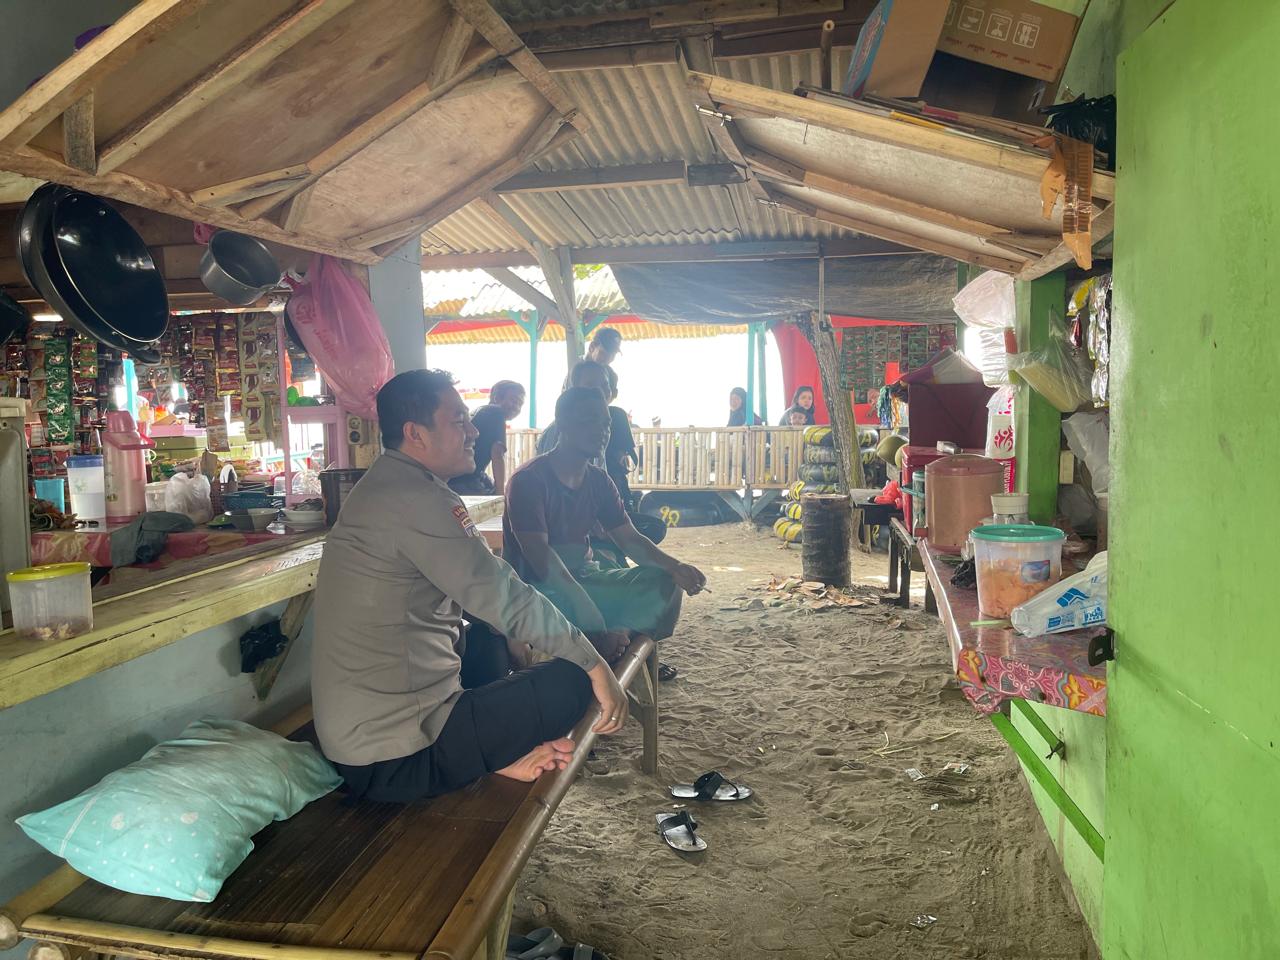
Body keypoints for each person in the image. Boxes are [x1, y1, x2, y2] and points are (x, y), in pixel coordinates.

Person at [311, 370, 628, 803]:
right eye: (460, 421)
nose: (475, 431)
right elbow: (503, 594)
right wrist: (594, 664)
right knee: (575, 678)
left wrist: (513, 631)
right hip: (396, 758)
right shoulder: (417, 498)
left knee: (488, 641)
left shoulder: (390, 485)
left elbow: (483, 590)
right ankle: (488, 754)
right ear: (415, 434)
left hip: (368, 740)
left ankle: (492, 753)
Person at [504, 387, 706, 665]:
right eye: (589, 421)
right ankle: (609, 638)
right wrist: (586, 608)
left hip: (587, 580)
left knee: (666, 582)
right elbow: (540, 557)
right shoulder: (529, 480)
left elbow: (630, 539)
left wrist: (675, 567)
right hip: (540, 590)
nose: (602, 431)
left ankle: (618, 635)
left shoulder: (599, 481)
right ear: (562, 423)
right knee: (578, 612)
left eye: (606, 424)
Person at [449, 379, 525, 495]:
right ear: (497, 398)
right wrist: (500, 493)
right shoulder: (496, 413)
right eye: (514, 401)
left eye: (520, 404)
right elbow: (497, 454)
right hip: (464, 481)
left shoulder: (482, 411)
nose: (516, 407)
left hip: (458, 478)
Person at [539, 359, 610, 455]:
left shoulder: (602, 430)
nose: (599, 391)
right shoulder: (559, 430)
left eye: (605, 385)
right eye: (591, 385)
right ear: (574, 389)